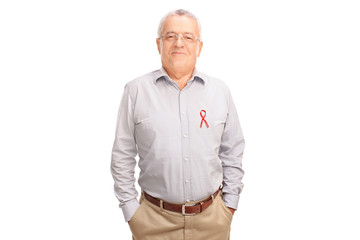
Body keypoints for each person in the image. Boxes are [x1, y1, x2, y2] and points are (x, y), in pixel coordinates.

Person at [111, 9, 245, 240]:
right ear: (158, 44)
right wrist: (132, 212)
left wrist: (229, 206)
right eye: (170, 36)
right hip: (152, 221)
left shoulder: (220, 91)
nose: (179, 43)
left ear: (199, 46)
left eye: (188, 37)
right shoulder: (135, 91)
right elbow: (122, 155)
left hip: (212, 221)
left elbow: (232, 150)